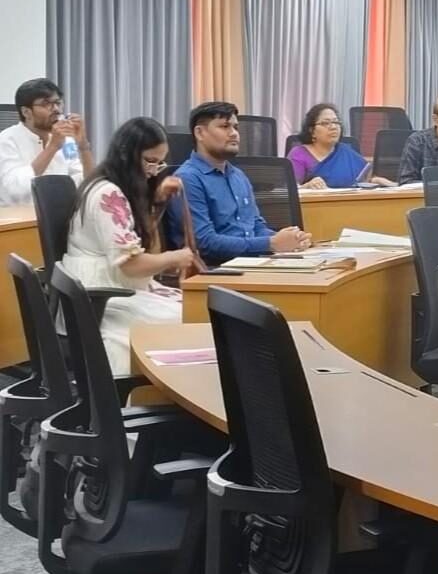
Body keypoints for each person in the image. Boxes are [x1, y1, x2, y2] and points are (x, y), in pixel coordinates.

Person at [62, 117, 194, 374]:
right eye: (149, 161)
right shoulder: (108, 194)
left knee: (191, 308)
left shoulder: (108, 184)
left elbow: (139, 246)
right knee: (187, 316)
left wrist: (156, 203)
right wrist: (176, 257)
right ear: (126, 154)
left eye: (160, 163)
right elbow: (132, 264)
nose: (154, 171)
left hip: (107, 288)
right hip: (101, 297)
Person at [165, 102, 312, 265]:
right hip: (215, 270)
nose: (234, 133)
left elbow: (256, 226)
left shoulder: (238, 176)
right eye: (224, 126)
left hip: (251, 263)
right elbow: (204, 243)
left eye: (235, 127)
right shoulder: (187, 179)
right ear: (200, 133)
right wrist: (270, 243)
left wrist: (289, 240)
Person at [0, 78, 94, 206]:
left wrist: (83, 146)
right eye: (46, 104)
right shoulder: (6, 140)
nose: (56, 109)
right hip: (19, 216)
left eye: (58, 103)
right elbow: (15, 190)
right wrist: (52, 147)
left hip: (61, 213)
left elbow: (85, 183)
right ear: (26, 112)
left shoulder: (66, 140)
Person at [287, 103, 394, 188]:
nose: (333, 127)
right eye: (325, 123)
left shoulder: (345, 151)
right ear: (312, 131)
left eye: (336, 122)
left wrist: (377, 181)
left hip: (348, 204)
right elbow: (290, 189)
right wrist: (307, 186)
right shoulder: (299, 154)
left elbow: (364, 178)